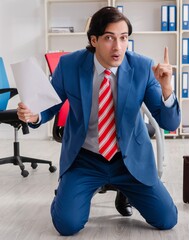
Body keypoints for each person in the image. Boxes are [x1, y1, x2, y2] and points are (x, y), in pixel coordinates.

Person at [17, 6, 180, 236]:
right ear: (94, 40)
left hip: (129, 160)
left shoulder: (142, 67)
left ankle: (125, 189)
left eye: (123, 38)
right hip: (86, 159)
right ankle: (68, 190)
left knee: (167, 219)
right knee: (67, 225)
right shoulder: (69, 66)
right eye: (109, 38)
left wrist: (167, 89)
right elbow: (49, 105)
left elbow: (169, 123)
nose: (118, 47)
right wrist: (35, 116)